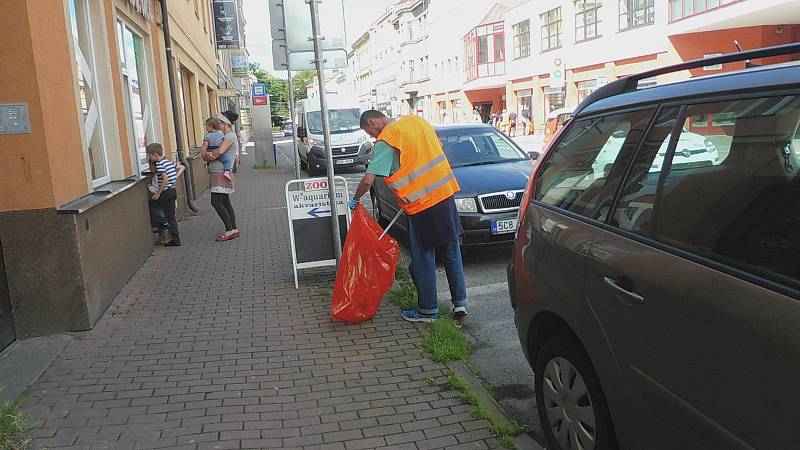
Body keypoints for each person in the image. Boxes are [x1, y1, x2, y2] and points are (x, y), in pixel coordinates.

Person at [350, 110, 468, 323]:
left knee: (423, 257)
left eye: (371, 133)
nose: (373, 137)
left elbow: (369, 180)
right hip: (445, 193)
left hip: (421, 204)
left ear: (372, 122)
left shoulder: (387, 140)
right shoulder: (417, 121)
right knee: (452, 250)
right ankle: (460, 302)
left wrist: (355, 199)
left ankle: (428, 311)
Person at [202, 112, 240, 241]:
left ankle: (229, 230)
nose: (217, 125)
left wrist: (206, 155)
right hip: (220, 172)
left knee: (216, 202)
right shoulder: (228, 135)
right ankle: (233, 229)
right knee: (225, 202)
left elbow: (219, 152)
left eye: (219, 123)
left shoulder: (229, 136)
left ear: (225, 124)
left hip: (219, 173)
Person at [147, 143, 184, 247]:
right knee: (171, 216)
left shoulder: (159, 164)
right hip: (172, 190)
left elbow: (165, 179)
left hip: (165, 192)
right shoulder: (168, 162)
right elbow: (182, 167)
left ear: (155, 155)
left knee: (152, 204)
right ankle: (176, 239)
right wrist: (175, 177)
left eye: (149, 156)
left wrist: (158, 193)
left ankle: (163, 223)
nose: (149, 158)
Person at [202, 118, 232, 182]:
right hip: (217, 150)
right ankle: (227, 172)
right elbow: (223, 142)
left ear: (211, 126)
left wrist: (203, 152)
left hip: (209, 151)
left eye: (206, 126)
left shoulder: (206, 135)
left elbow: (205, 145)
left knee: (209, 161)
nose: (206, 128)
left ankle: (209, 169)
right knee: (227, 160)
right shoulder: (221, 133)